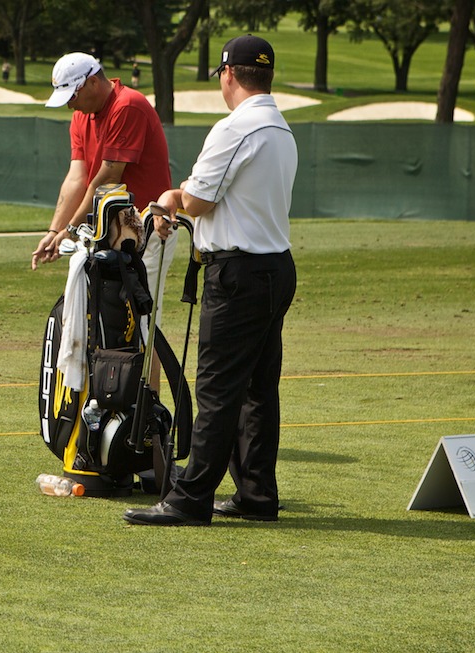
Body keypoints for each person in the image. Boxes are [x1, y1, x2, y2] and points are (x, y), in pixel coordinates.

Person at [123, 34, 298, 526]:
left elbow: (198, 201)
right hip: (275, 267)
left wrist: (168, 198)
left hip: (238, 273)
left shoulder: (234, 128)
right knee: (258, 389)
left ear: (227, 74)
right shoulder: (281, 127)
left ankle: (190, 498)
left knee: (219, 389)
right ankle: (256, 495)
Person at [32, 52, 178, 386]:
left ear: (93, 82)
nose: (70, 106)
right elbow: (76, 177)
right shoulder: (82, 115)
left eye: (72, 97)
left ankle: (146, 418)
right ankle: (116, 409)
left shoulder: (128, 106)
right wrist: (56, 230)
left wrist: (70, 228)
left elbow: (108, 177)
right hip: (107, 231)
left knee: (141, 325)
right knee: (106, 320)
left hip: (146, 229)